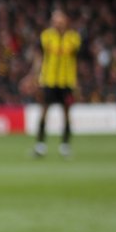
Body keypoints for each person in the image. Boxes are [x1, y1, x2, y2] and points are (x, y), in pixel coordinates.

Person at [32, 8, 81, 158]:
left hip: (66, 82)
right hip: (49, 80)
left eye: (60, 20)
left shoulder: (74, 38)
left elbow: (76, 60)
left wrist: (76, 82)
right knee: (44, 111)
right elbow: (39, 58)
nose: (57, 23)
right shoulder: (46, 37)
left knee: (66, 113)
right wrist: (35, 76)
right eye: (55, 20)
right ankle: (40, 146)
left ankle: (65, 146)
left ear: (66, 21)